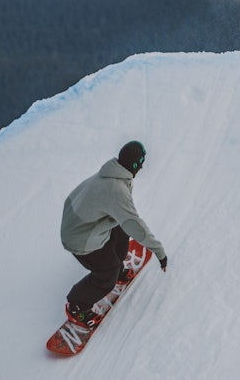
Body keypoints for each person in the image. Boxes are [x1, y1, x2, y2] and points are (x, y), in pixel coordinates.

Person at [60, 140, 168, 328]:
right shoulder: (116, 189)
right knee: (106, 275)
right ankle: (77, 305)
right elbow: (136, 225)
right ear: (135, 165)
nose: (143, 166)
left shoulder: (111, 173)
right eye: (142, 162)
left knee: (120, 227)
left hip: (80, 225)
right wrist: (160, 252)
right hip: (78, 239)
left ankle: (116, 268)